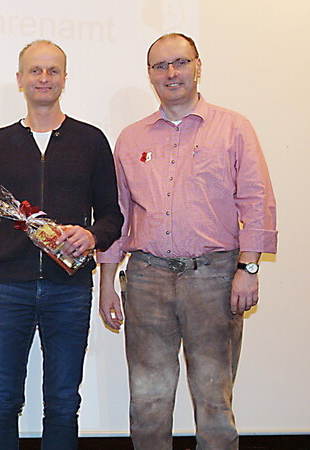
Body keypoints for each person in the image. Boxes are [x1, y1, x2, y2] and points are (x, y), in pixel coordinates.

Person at [97, 33, 277, 449]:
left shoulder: (234, 128)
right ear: (149, 75)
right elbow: (119, 214)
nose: (171, 73)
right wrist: (107, 282)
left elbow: (256, 199)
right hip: (146, 279)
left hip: (214, 278)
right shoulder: (130, 138)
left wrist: (248, 269)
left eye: (180, 62)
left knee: (214, 399)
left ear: (198, 66)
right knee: (147, 400)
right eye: (160, 66)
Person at [0, 40, 123, 449]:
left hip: (68, 289)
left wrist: (92, 235)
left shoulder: (90, 140)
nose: (44, 78)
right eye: (35, 71)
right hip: (4, 290)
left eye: (53, 71)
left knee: (63, 402)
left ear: (65, 79)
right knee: (1, 400)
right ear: (20, 80)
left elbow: (113, 215)